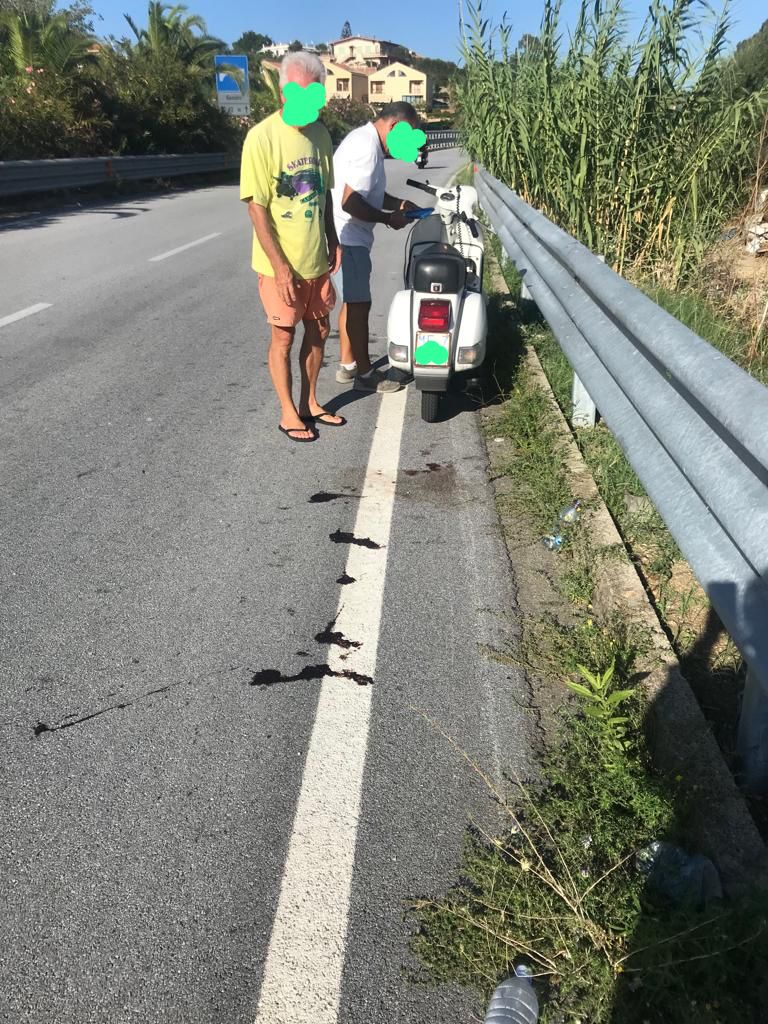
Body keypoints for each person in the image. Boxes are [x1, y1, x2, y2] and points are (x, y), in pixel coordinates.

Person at [240, 51, 343, 443]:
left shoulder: (321, 134)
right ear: (284, 94)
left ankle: (310, 402)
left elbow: (325, 196)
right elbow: (257, 208)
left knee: (318, 330)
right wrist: (280, 267)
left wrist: (334, 240)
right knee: (283, 337)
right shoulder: (261, 137)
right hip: (278, 264)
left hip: (316, 258)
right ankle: (287, 412)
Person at [331, 102, 421, 393]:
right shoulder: (367, 150)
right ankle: (365, 374)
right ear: (395, 126)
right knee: (360, 305)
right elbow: (351, 201)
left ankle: (347, 365)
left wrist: (398, 205)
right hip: (349, 238)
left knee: (353, 301)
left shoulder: (365, 141)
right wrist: (388, 218)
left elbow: (371, 193)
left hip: (350, 236)